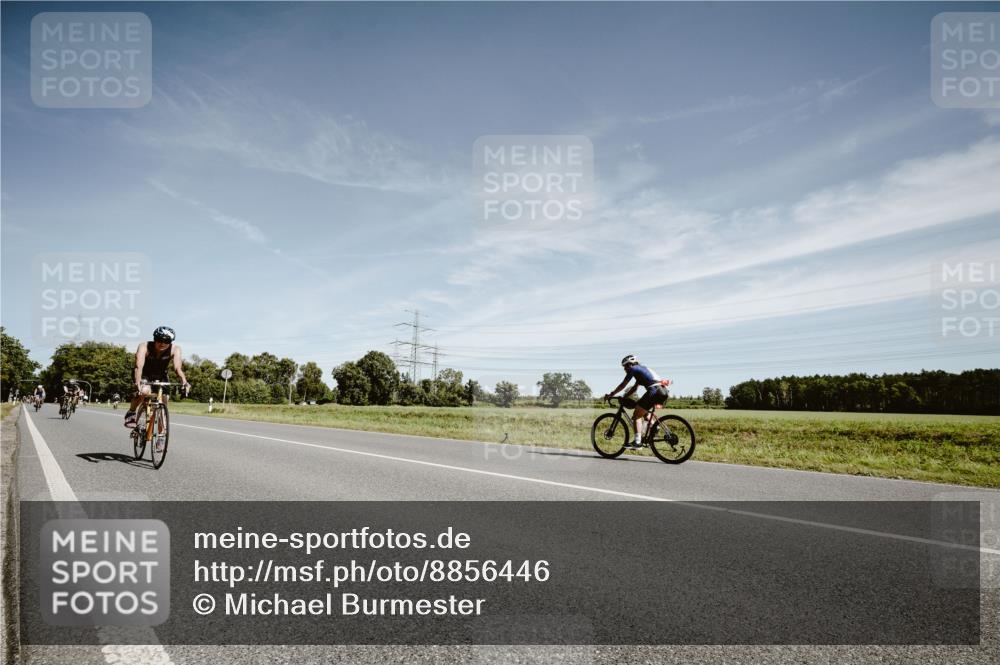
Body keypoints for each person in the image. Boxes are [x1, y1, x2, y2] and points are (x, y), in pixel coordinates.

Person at [124, 326, 191, 428]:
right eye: (159, 340)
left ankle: (161, 435)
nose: (162, 343)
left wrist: (184, 381)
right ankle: (131, 413)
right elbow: (139, 366)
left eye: (166, 341)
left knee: (164, 399)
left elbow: (177, 368)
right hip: (143, 373)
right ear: (154, 339)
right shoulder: (144, 346)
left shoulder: (175, 349)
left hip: (161, 374)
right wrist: (138, 382)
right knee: (144, 390)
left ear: (170, 341)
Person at [603, 355, 672, 449]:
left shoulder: (634, 369)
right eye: (624, 367)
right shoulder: (641, 370)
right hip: (662, 391)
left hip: (654, 390)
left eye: (626, 366)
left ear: (631, 364)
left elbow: (623, 384)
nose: (625, 369)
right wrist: (624, 396)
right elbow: (634, 388)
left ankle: (637, 442)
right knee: (641, 408)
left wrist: (611, 394)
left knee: (636, 415)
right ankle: (654, 425)